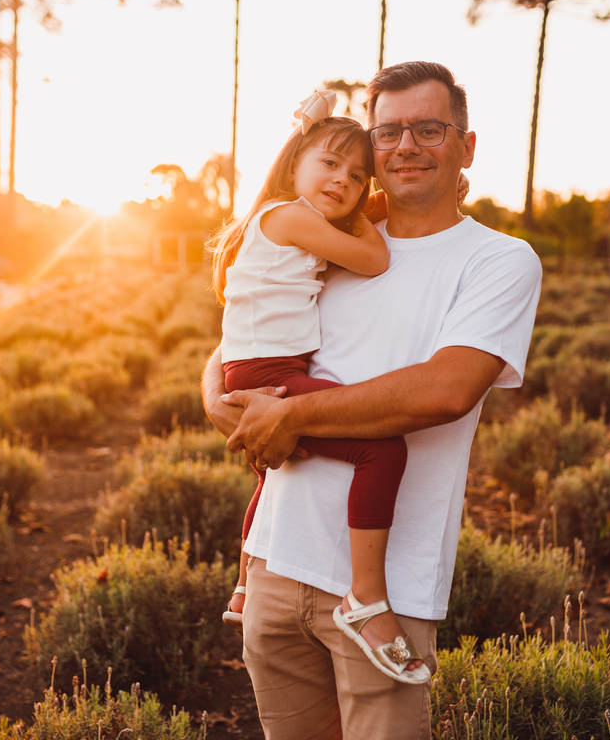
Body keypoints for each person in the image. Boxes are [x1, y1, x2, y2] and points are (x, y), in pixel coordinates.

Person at [202, 61, 542, 738]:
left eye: (429, 129)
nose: (406, 146)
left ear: (467, 146)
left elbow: (445, 390)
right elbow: (238, 338)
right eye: (389, 133)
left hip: (389, 588)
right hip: (274, 562)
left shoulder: (498, 260)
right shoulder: (337, 237)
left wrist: (287, 413)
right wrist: (218, 400)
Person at [208, 91, 425, 684]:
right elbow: (374, 259)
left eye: (357, 177)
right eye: (329, 164)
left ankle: (245, 586)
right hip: (269, 374)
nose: (342, 181)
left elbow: (357, 223)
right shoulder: (289, 217)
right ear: (294, 162)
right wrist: (365, 215)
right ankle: (366, 596)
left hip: (257, 368)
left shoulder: (290, 220)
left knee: (272, 473)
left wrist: (369, 205)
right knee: (382, 450)